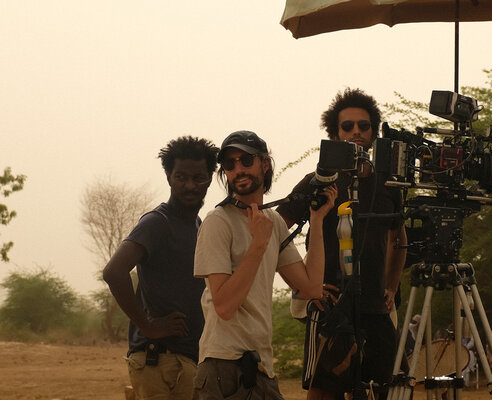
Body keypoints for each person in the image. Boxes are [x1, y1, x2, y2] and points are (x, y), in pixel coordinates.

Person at [277, 88, 408, 400]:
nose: (356, 132)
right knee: (325, 393)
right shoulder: (318, 180)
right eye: (347, 126)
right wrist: (305, 284)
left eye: (363, 126)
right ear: (334, 134)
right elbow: (274, 231)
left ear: (374, 132)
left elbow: (399, 238)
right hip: (330, 308)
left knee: (387, 391)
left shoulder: (388, 182)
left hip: (376, 308)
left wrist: (391, 285)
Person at [192, 130, 337, 400]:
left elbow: (311, 288)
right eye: (230, 164)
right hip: (223, 366)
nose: (238, 169)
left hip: (261, 367)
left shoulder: (273, 221)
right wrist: (258, 245)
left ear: (265, 164)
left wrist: (317, 221)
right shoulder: (217, 222)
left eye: (246, 160)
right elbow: (223, 306)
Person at [103, 136, 219, 400]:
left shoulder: (198, 226)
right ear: (168, 176)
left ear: (210, 178)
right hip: (161, 361)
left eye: (198, 178)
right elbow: (114, 272)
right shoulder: (158, 222)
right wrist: (147, 325)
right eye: (181, 177)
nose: (190, 185)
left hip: (186, 360)